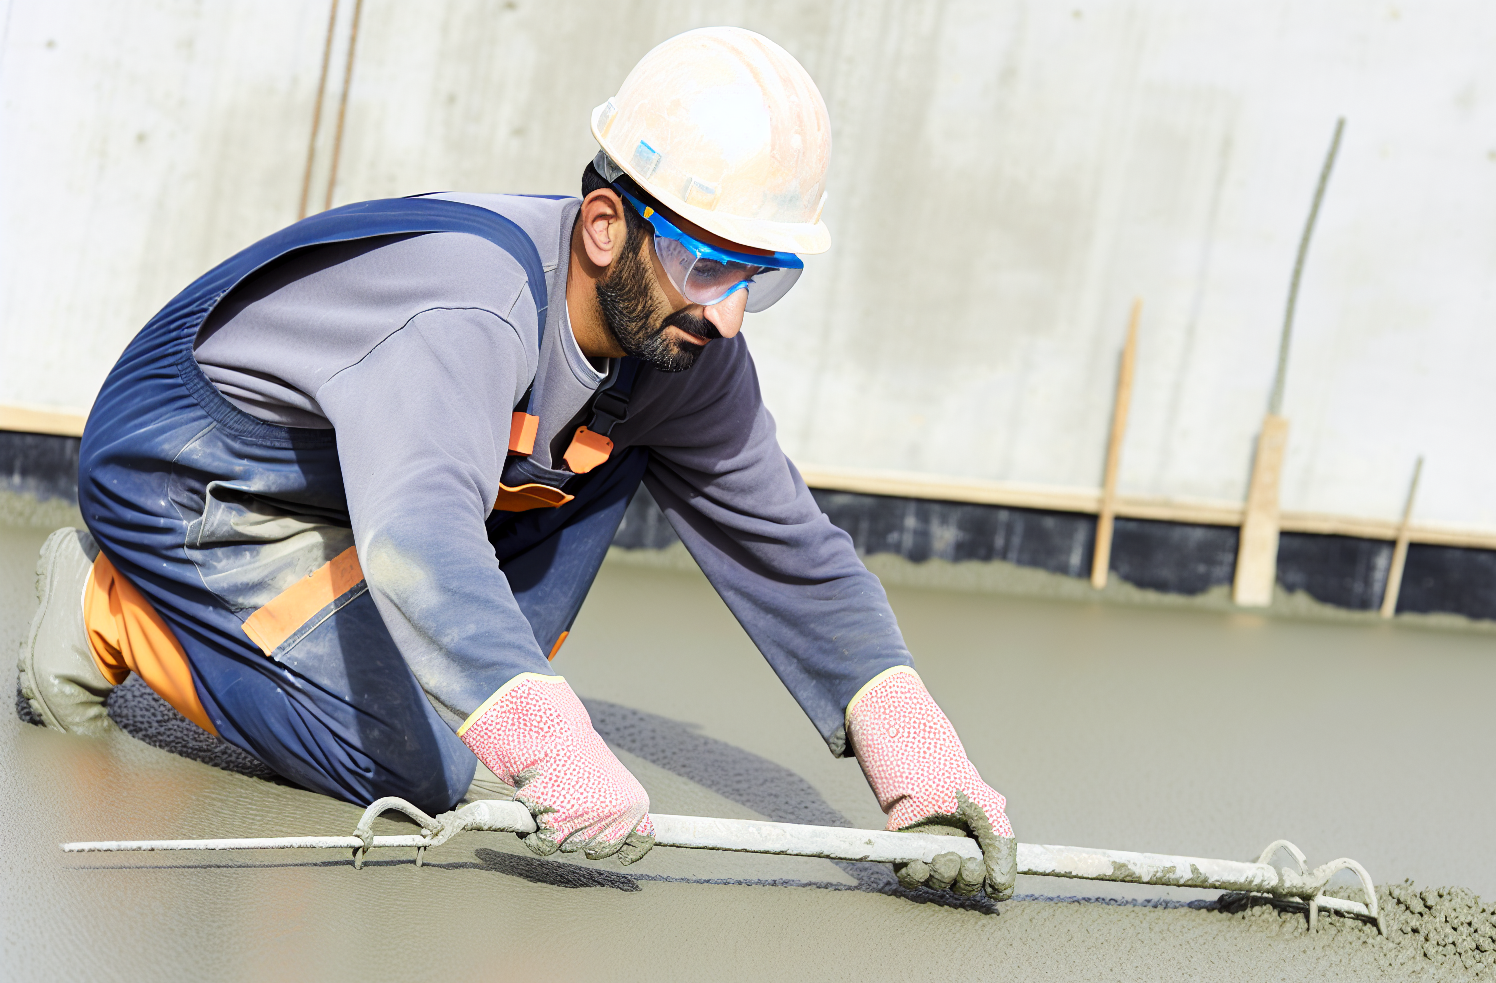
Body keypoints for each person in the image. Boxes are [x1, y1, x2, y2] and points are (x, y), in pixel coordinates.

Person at [16, 27, 1014, 900]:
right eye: (709, 266)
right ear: (604, 226)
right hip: (198, 470)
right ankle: (113, 606)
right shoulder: (473, 304)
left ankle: (418, 680)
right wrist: (546, 746)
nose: (728, 315)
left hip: (367, 479)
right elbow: (421, 538)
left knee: (609, 456)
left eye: (765, 278)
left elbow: (788, 547)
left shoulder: (677, 339)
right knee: (436, 762)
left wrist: (918, 758)